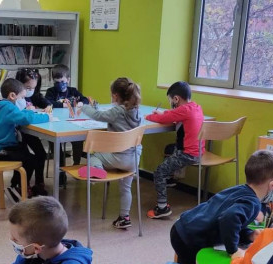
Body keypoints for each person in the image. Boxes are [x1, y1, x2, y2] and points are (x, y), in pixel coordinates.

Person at [171, 150, 273, 264]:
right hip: (190, 239)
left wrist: (249, 234)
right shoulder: (252, 203)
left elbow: (233, 219)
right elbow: (228, 218)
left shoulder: (241, 189)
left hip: (183, 226)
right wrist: (233, 250)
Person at [79, 77, 142, 229]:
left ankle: (97, 171)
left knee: (94, 155)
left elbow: (98, 116)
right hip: (134, 159)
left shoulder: (117, 111)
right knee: (126, 188)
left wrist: (84, 107)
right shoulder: (136, 111)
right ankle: (124, 217)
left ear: (115, 96)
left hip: (118, 157)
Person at [145, 81, 205, 219]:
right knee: (169, 148)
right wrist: (164, 113)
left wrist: (149, 116)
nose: (171, 103)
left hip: (187, 154)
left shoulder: (183, 110)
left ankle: (162, 208)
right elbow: (173, 114)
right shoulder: (195, 107)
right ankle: (170, 178)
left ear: (176, 99)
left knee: (159, 172)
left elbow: (165, 118)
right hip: (198, 151)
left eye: (171, 100)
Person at [0, 78, 51, 201]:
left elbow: (20, 115)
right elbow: (26, 119)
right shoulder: (9, 108)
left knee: (25, 153)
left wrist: (27, 112)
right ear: (12, 96)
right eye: (22, 98)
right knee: (30, 160)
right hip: (1, 149)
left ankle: (16, 185)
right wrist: (46, 117)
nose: (23, 101)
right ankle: (19, 187)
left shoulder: (2, 106)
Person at [14, 68, 53, 193]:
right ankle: (20, 184)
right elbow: (22, 117)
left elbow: (45, 101)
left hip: (29, 131)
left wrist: (48, 106)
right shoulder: (15, 98)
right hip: (16, 134)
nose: (30, 91)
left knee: (41, 153)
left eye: (33, 88)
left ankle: (39, 183)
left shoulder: (34, 95)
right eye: (28, 88)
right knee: (26, 158)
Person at [45, 64, 89, 166]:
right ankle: (60, 167)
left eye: (63, 82)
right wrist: (63, 104)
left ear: (68, 80)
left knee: (78, 140)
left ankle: (76, 164)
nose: (60, 84)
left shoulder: (73, 91)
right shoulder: (51, 91)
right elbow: (48, 102)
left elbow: (85, 99)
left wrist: (81, 102)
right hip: (56, 125)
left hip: (71, 124)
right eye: (57, 82)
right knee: (54, 142)